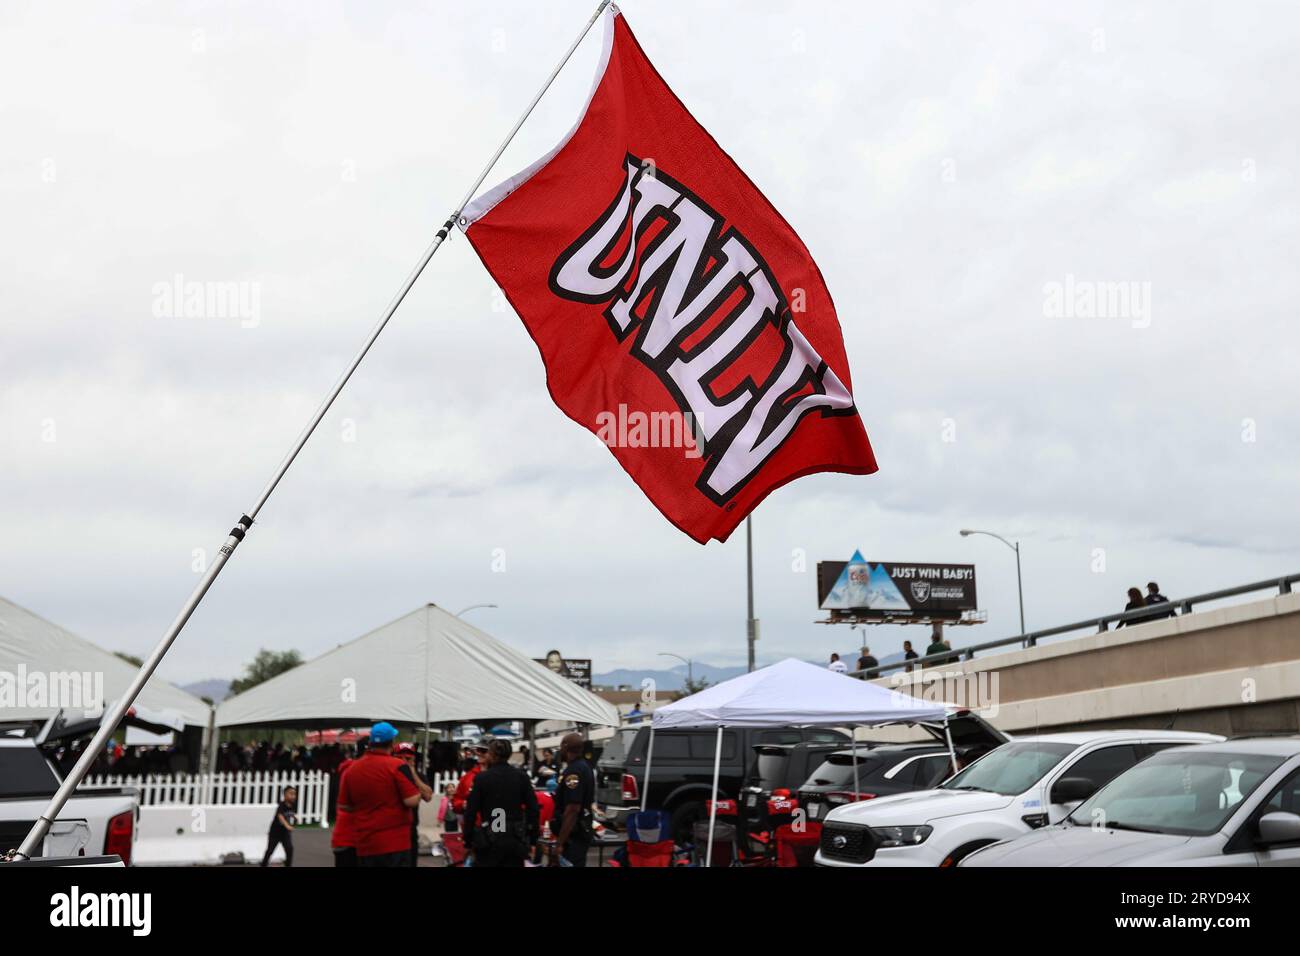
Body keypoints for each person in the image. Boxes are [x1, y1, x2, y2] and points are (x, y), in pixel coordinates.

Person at [337, 722, 422, 867]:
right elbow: (412, 801)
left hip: (366, 843)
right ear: (391, 742)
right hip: (396, 843)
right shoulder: (397, 766)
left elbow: (344, 805)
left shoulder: (352, 769)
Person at [464, 739, 539, 867]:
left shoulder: (482, 778)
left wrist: (468, 841)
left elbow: (470, 812)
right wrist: (533, 839)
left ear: (491, 754)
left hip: (489, 839)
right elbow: (533, 809)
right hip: (515, 840)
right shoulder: (521, 777)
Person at [549, 732, 595, 867]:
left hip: (573, 836)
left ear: (565, 747)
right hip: (578, 832)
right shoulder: (584, 767)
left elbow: (572, 809)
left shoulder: (574, 772)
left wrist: (560, 843)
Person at [395, 742, 434, 867]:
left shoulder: (418, 775)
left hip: (410, 828)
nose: (404, 761)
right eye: (400, 758)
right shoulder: (389, 773)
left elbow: (428, 796)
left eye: (408, 758)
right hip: (393, 829)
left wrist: (411, 772)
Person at [259, 785, 297, 867]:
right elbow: (280, 816)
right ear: (285, 795)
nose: (293, 796)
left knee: (289, 849)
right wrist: (287, 825)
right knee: (270, 850)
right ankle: (263, 864)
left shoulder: (293, 805)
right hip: (275, 833)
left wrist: (295, 818)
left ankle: (288, 865)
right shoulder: (281, 805)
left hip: (284, 833)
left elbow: (291, 814)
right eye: (291, 794)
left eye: (294, 794)